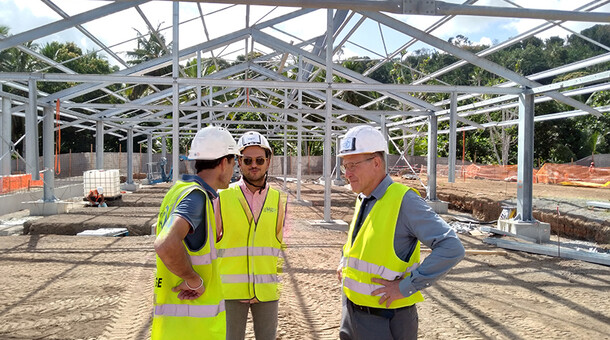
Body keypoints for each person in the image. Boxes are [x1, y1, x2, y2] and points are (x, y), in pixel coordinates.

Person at [336, 125, 465, 340]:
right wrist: (344, 261)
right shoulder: (364, 198)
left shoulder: (404, 200)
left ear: (376, 162)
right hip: (353, 314)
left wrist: (406, 286)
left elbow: (452, 247)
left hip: (384, 320)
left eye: (352, 166)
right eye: (344, 166)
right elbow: (361, 244)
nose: (347, 174)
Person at [152, 126, 239, 340]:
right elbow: (165, 243)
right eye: (233, 161)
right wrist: (193, 279)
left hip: (177, 325)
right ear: (222, 162)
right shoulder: (195, 198)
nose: (234, 169)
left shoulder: (179, 191)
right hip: (193, 329)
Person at [215, 131, 288, 340]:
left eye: (259, 160)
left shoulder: (278, 200)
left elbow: (279, 247)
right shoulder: (222, 197)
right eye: (247, 160)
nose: (253, 165)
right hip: (230, 292)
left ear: (268, 161)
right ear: (239, 161)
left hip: (266, 291)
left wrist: (272, 281)